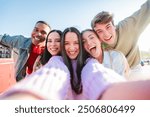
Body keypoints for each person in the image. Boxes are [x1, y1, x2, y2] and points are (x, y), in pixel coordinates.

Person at [1, 27, 150, 100]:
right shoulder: (56, 61)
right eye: (66, 43)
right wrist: (22, 99)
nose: (71, 48)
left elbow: (98, 77)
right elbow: (51, 75)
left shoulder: (88, 63)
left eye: (76, 43)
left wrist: (121, 92)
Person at [91, 0, 150, 69]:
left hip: (134, 68)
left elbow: (147, 8)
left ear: (114, 26)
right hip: (115, 73)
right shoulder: (98, 44)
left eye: (108, 27)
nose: (106, 34)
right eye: (99, 31)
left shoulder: (127, 26)